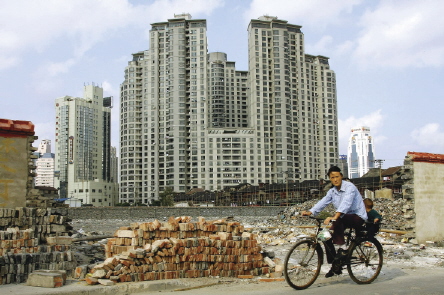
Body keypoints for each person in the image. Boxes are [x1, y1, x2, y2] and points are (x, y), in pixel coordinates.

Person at [301, 166, 367, 278]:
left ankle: (344, 249)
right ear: (330, 179)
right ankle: (336, 264)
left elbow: (346, 203)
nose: (335, 179)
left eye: (337, 176)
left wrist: (335, 216)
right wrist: (311, 212)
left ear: (341, 176)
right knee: (324, 236)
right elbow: (323, 202)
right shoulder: (332, 191)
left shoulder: (349, 187)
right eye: (332, 177)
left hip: (357, 217)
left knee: (337, 220)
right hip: (343, 218)